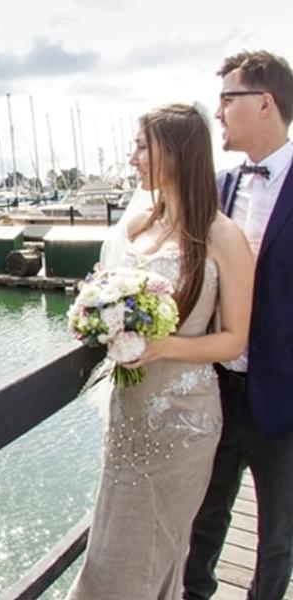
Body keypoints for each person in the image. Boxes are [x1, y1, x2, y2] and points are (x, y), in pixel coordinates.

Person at [66, 103, 254, 599]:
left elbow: (235, 338)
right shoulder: (137, 227)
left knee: (144, 559)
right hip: (128, 416)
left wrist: (164, 345)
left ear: (177, 152)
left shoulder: (223, 237)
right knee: (118, 552)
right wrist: (95, 320)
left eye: (142, 146)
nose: (133, 159)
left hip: (183, 424)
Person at [183, 50, 293, 600]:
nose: (219, 112)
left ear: (265, 104)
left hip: (285, 401)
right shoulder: (218, 189)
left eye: (229, 99)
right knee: (202, 522)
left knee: (277, 539)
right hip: (216, 390)